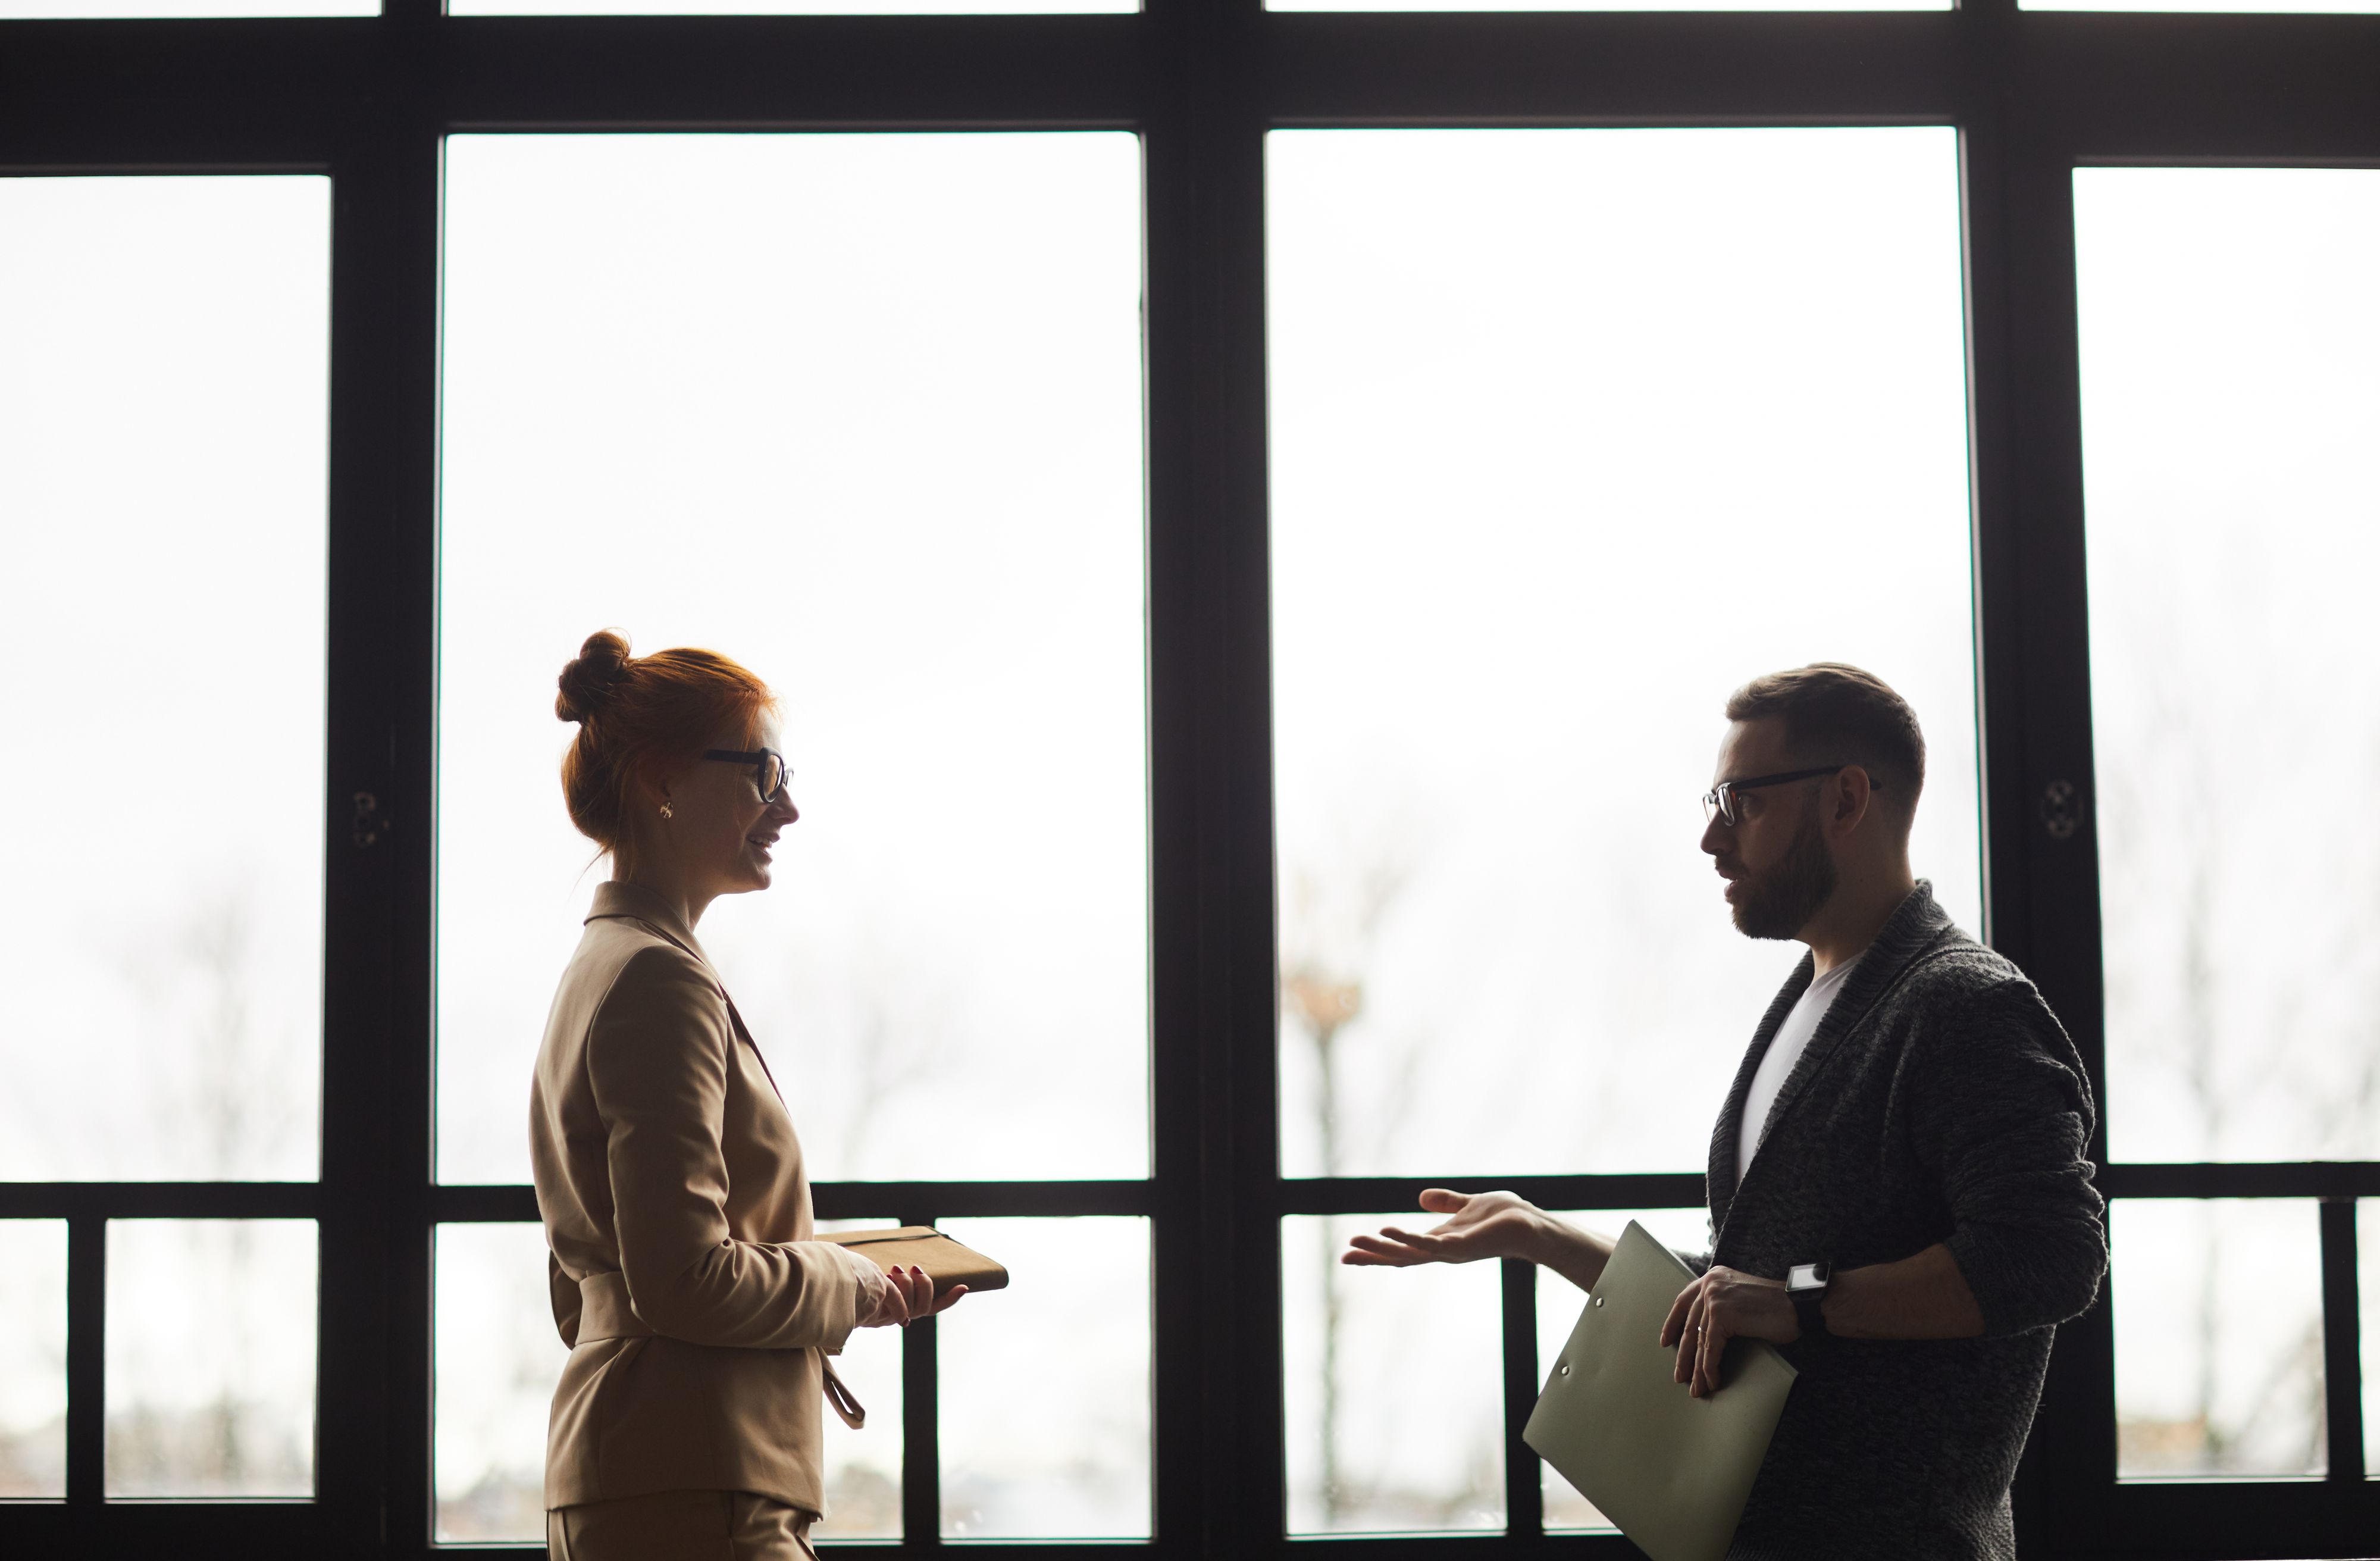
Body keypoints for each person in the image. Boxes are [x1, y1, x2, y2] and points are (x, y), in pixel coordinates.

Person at [1346, 664, 2106, 1560]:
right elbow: (1750, 1291)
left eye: (1739, 801)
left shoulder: (1964, 1006)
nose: (1711, 837)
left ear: (1847, 799)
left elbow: (2051, 1257)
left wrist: (1803, 1302)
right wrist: (1543, 1237)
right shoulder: (1813, 997)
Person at [530, 630, 963, 1560]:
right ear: (661, 779)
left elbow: (590, 1290)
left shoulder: (603, 966)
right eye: (765, 773)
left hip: (654, 1476)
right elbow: (686, 1279)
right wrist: (849, 1279)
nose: (790, 807)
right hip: (697, 1490)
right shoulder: (659, 981)